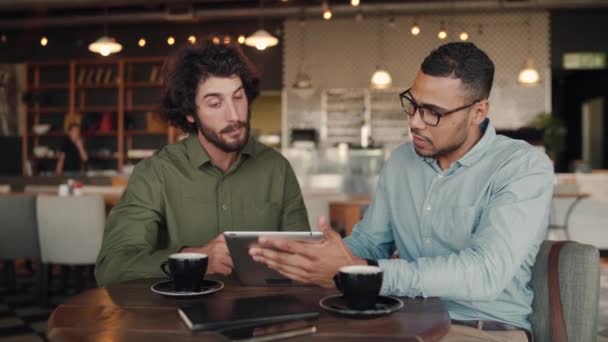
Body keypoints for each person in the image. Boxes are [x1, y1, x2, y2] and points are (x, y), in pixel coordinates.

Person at [250, 42, 553, 342]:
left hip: (482, 328)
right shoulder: (402, 160)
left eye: (432, 112)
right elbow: (370, 242)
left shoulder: (521, 167)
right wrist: (312, 257)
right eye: (413, 103)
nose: (414, 121)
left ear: (478, 112)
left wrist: (365, 272)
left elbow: (485, 272)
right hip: (402, 320)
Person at [95, 40, 310, 286]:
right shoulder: (156, 173)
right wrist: (194, 258)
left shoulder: (277, 169)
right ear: (190, 112)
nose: (234, 115)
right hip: (176, 317)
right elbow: (111, 267)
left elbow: (303, 260)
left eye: (238, 97)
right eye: (215, 103)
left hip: (264, 316)